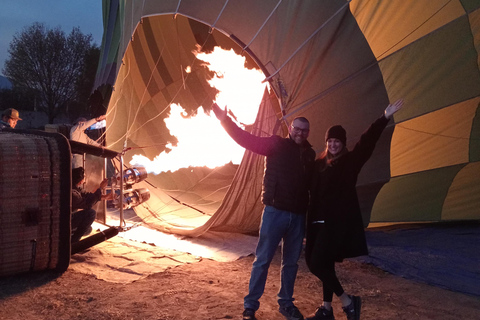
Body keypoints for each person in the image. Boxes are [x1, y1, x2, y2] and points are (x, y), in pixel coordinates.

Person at [211, 102, 316, 320]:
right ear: (290, 129)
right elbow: (246, 139)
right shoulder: (275, 144)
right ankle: (250, 307)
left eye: (304, 130)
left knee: (291, 263)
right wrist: (224, 120)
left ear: (308, 133)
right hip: (275, 212)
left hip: (297, 216)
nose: (300, 133)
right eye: (297, 129)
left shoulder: (310, 154)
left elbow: (314, 184)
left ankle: (286, 303)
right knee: (263, 260)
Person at [305, 99, 404, 320]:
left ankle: (348, 301)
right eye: (330, 140)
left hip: (334, 224)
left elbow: (366, 143)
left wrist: (384, 117)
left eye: (337, 141)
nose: (333, 144)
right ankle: (326, 309)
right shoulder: (318, 163)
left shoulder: (350, 162)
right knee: (324, 263)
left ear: (343, 143)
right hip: (315, 222)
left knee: (315, 264)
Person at [71, 166, 112, 243]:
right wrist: (100, 188)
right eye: (84, 176)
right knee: (91, 213)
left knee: (88, 230)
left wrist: (105, 197)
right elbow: (87, 204)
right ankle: (73, 243)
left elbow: (87, 196)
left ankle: (68, 235)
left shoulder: (75, 188)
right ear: (80, 180)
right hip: (65, 220)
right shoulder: (73, 193)